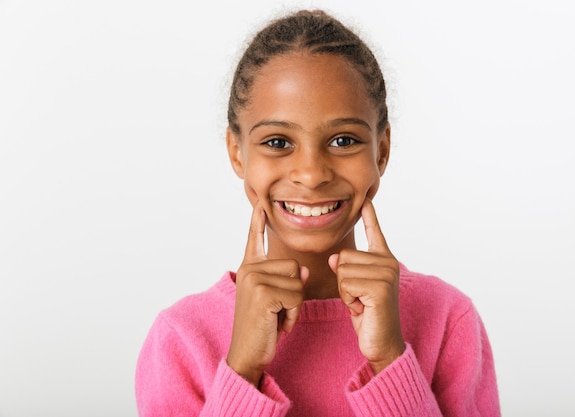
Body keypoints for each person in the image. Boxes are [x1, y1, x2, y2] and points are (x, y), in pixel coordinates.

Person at [135, 9, 500, 417]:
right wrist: (241, 369)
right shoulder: (181, 337)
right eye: (277, 142)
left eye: (343, 140)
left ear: (381, 149)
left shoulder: (448, 320)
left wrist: (391, 362)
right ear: (237, 153)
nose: (310, 175)